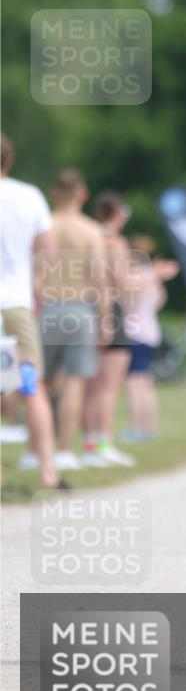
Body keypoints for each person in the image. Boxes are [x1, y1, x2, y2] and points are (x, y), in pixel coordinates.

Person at [0, 133, 67, 489]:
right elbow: (48, 253)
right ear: (8, 160)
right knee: (31, 385)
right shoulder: (29, 196)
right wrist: (37, 284)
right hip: (15, 304)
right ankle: (47, 471)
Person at [38, 169, 107, 470]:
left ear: (54, 193)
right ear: (82, 195)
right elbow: (99, 280)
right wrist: (105, 321)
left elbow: (34, 272)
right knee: (74, 382)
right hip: (80, 308)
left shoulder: (44, 226)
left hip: (47, 307)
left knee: (39, 382)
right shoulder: (91, 231)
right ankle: (65, 450)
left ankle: (35, 450)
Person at [81, 192, 135, 467]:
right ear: (118, 214)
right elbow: (122, 283)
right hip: (110, 310)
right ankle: (104, 443)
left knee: (90, 385)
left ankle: (90, 443)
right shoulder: (115, 242)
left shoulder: (88, 237)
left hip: (86, 308)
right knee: (109, 386)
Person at [121, 235, 179, 442]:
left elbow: (123, 289)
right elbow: (159, 302)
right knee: (145, 383)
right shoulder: (153, 280)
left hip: (135, 333)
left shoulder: (140, 275)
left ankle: (138, 428)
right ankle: (148, 428)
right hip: (150, 333)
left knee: (135, 384)